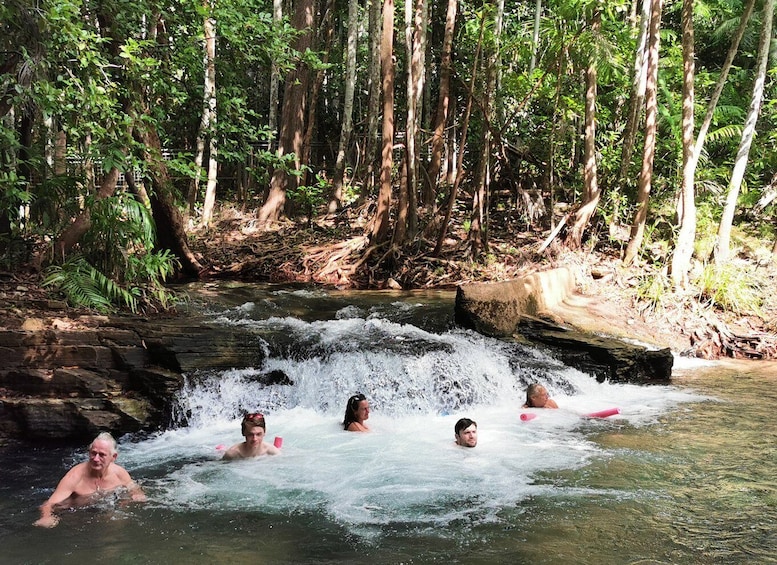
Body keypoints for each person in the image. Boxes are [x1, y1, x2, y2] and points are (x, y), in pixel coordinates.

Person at [34, 432, 146, 528]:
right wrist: (46, 517)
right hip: (77, 516)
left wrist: (138, 494)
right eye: (93, 453)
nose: (96, 459)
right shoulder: (75, 476)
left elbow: (134, 487)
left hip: (103, 513)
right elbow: (48, 504)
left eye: (102, 455)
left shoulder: (119, 473)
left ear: (113, 457)